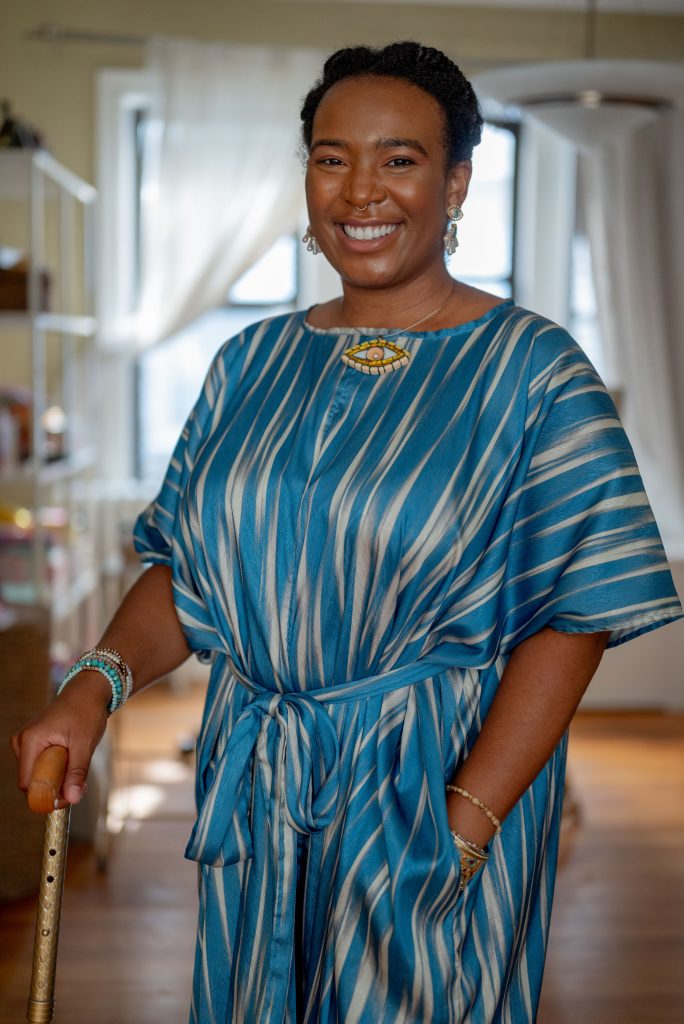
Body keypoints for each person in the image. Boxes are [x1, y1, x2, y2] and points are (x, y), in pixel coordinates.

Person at [12, 41, 682, 1024]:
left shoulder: (535, 372)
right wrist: (96, 682)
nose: (360, 188)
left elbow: (575, 611)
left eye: (399, 158)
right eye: (332, 157)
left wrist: (468, 821)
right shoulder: (248, 364)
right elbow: (187, 570)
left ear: (457, 179)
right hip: (262, 787)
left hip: (433, 781)